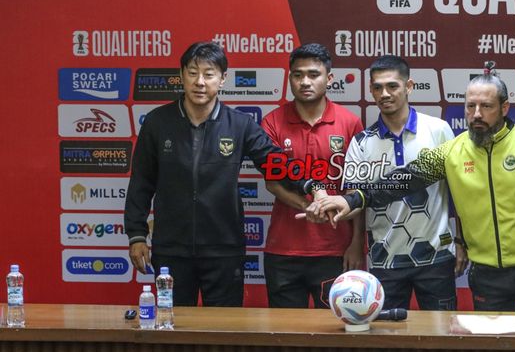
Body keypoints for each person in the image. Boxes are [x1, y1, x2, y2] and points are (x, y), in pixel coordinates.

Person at [315, 61, 515, 312]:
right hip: (486, 270)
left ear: (504, 107)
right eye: (470, 106)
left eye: (486, 106)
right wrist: (352, 200)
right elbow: (405, 179)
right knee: (494, 351)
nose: (476, 114)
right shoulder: (453, 150)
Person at [124, 41, 317, 307]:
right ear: (181, 75)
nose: (200, 82)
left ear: (223, 79)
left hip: (224, 249)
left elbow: (275, 161)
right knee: (174, 329)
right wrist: (136, 235)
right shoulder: (157, 122)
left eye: (209, 74)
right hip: (171, 250)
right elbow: (141, 183)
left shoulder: (239, 124)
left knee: (225, 330)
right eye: (192, 73)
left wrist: (310, 185)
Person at [342, 55, 466, 311]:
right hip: (384, 259)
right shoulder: (361, 142)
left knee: (442, 337)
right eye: (377, 88)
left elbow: (458, 192)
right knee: (388, 342)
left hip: (436, 256)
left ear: (408, 86)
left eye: (392, 86)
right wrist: (354, 240)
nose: (384, 94)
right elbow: (356, 200)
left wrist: (461, 241)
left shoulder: (438, 130)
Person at [261, 43, 365, 308]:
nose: (305, 82)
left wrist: (356, 244)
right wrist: (310, 206)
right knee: (284, 338)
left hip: (335, 250)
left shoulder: (349, 122)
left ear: (329, 79)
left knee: (333, 338)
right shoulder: (272, 122)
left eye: (313, 74)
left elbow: (356, 192)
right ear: (289, 78)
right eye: (297, 75)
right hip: (283, 250)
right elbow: (273, 182)